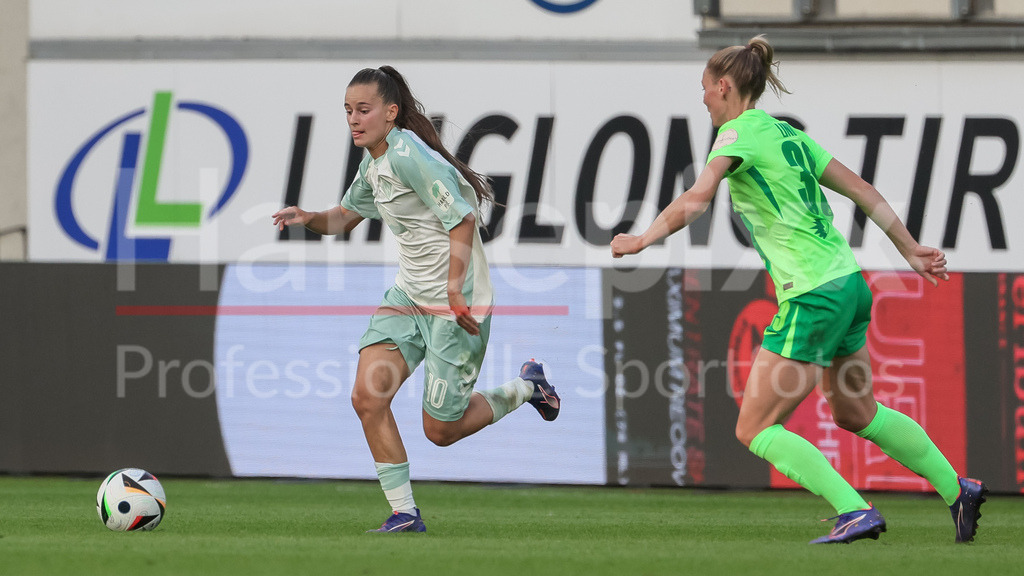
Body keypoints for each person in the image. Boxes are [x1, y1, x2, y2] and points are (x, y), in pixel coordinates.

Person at [610, 36, 986, 544]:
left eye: (704, 88)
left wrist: (641, 239)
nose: (703, 99)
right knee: (857, 412)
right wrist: (910, 248)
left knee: (754, 428)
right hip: (848, 284)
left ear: (725, 86)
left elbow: (698, 198)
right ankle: (958, 489)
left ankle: (854, 509)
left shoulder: (736, 133)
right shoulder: (788, 134)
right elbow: (863, 190)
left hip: (812, 294)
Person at [272, 66, 560, 533]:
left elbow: (463, 218)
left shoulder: (408, 155)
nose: (354, 119)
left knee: (440, 431)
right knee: (367, 398)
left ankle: (528, 387)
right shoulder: (374, 163)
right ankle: (404, 514)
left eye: (363, 110)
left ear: (390, 113)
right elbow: (344, 217)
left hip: (457, 305)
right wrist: (309, 217)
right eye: (348, 111)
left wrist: (453, 288)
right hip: (407, 298)